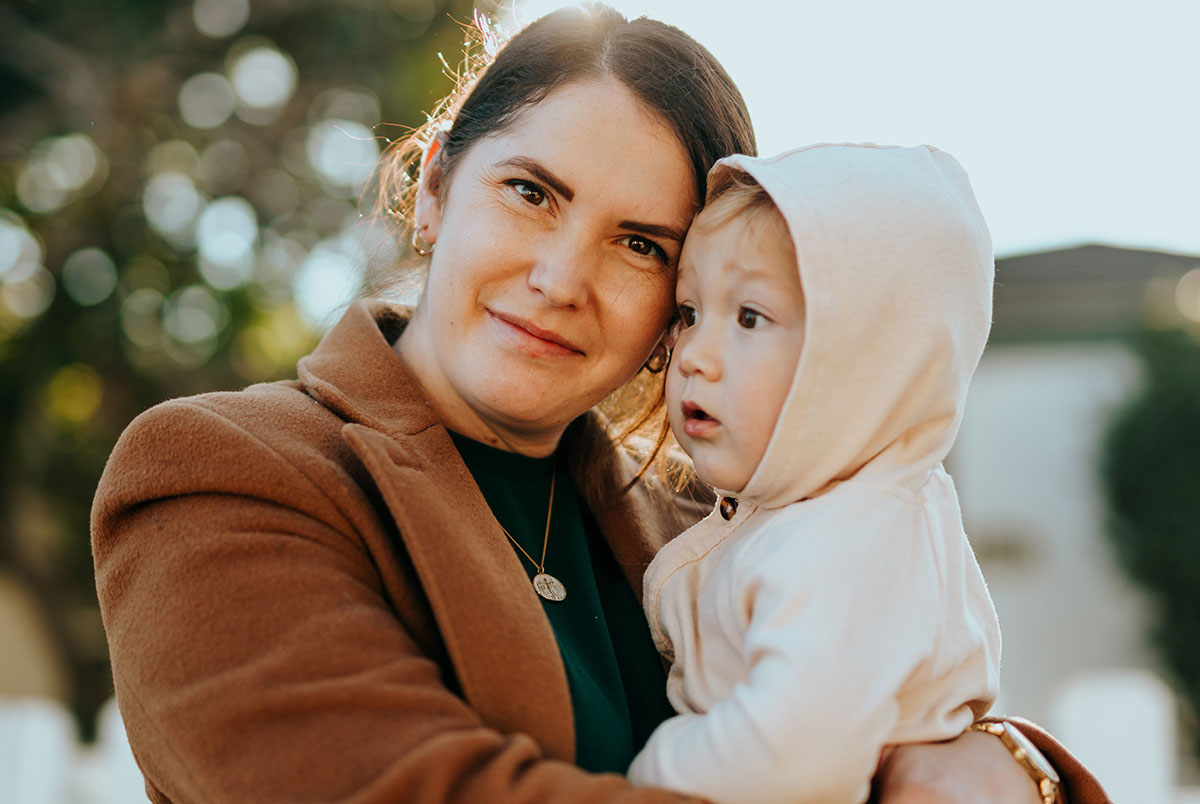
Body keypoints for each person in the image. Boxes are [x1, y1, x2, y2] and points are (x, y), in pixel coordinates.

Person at [91, 5, 1109, 803]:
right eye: (531, 193)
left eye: (640, 245)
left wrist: (1014, 767)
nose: (560, 278)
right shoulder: (224, 473)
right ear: (437, 188)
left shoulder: (707, 531)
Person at [625, 143, 1001, 804]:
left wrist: (643, 768)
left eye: (750, 317)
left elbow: (791, 761)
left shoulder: (852, 538)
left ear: (866, 359)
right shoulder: (802, 514)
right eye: (688, 314)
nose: (694, 356)